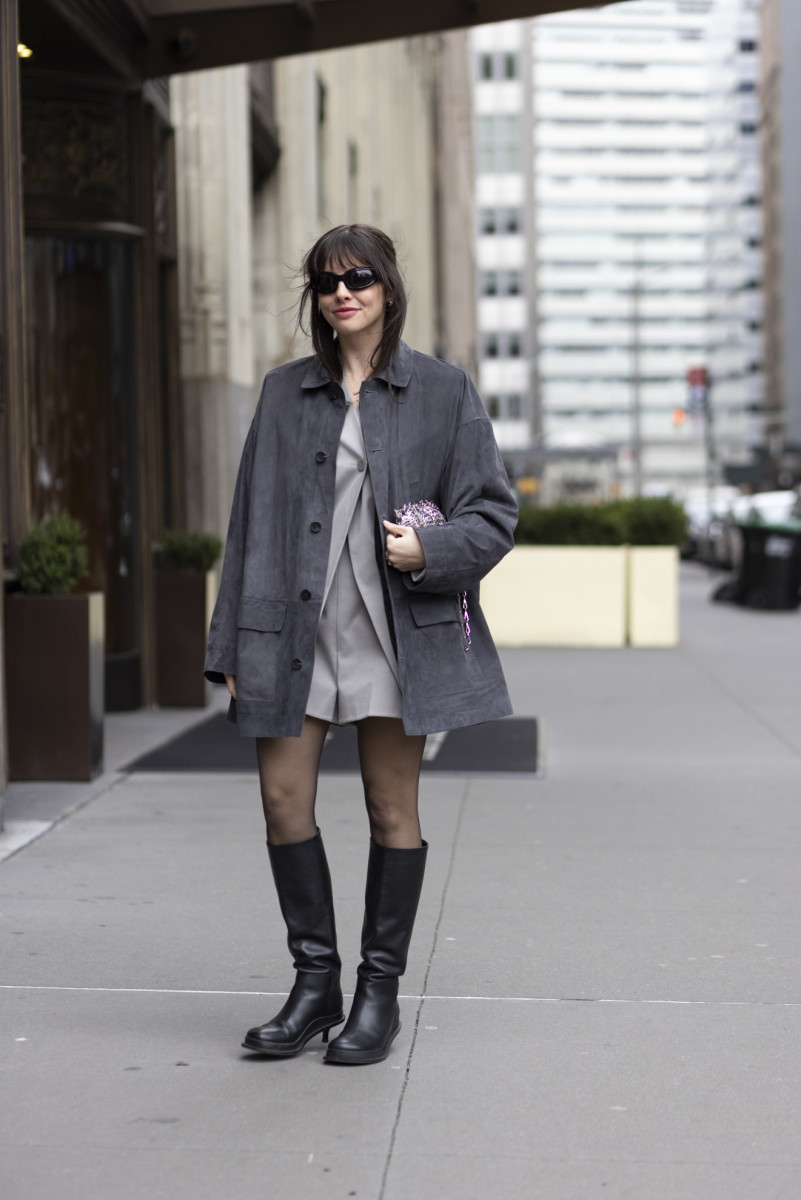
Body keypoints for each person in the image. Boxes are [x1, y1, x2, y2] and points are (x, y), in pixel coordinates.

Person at [204, 224, 518, 1066]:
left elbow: (494, 512)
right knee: (281, 801)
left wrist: (432, 550)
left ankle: (378, 996)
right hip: (289, 634)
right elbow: (247, 525)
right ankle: (315, 986)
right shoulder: (282, 393)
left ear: (387, 288)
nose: (344, 292)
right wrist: (229, 640)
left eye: (360, 278)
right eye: (327, 281)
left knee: (391, 810)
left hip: (391, 635)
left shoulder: (443, 391)